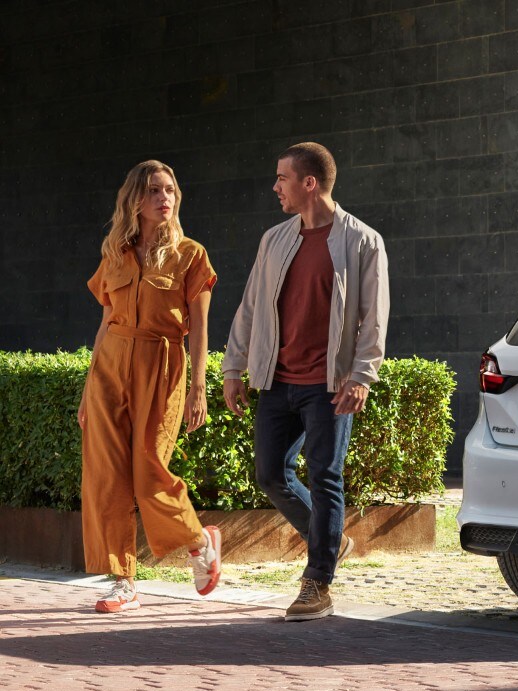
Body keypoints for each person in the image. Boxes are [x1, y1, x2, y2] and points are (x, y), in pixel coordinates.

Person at [223, 142, 389, 621]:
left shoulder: (362, 241)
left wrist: (361, 376)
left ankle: (317, 583)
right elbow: (250, 307)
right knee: (270, 474)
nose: (276, 187)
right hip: (278, 379)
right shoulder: (274, 239)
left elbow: (374, 319)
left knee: (325, 475)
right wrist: (234, 367)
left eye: (282, 178)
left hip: (329, 383)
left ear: (309, 183)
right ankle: (331, 540)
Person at [79, 160, 222, 613]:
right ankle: (123, 579)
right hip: (109, 366)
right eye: (156, 191)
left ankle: (198, 541)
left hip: (161, 366)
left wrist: (199, 387)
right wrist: (88, 388)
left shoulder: (191, 255)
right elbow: (106, 322)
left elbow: (199, 330)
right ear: (135, 201)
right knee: (106, 476)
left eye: (171, 190)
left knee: (149, 471)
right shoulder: (114, 253)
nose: (166, 198)